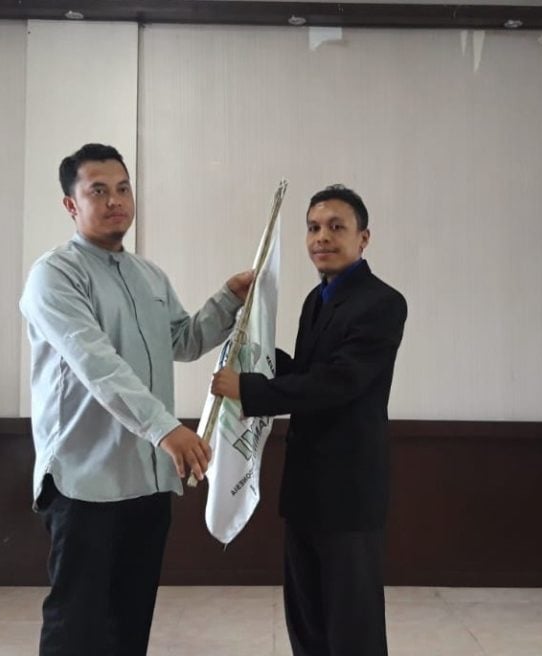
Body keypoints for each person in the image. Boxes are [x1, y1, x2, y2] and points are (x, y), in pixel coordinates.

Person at [19, 143, 252, 656]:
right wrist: (167, 429)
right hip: (85, 480)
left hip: (146, 478)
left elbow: (183, 340)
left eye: (123, 189)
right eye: (98, 191)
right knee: (77, 624)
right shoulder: (54, 275)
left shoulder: (148, 275)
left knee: (129, 621)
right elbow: (96, 363)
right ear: (70, 204)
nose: (115, 201)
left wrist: (229, 298)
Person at [211, 184, 407, 656]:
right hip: (305, 490)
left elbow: (338, 383)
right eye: (314, 227)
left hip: (349, 494)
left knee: (352, 628)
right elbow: (306, 372)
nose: (322, 237)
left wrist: (249, 390)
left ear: (363, 238)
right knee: (307, 620)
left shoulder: (382, 302)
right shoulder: (316, 300)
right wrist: (253, 347)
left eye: (336, 227)